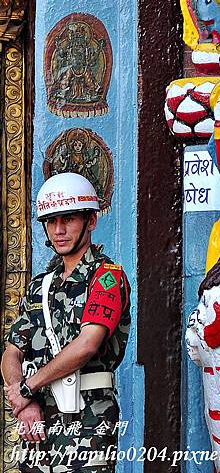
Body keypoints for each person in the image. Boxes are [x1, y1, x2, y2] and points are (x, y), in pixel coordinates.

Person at [1, 172, 131, 472]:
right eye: (51, 221)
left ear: (91, 221)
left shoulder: (106, 278)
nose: (58, 230)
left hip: (88, 420)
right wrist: (26, 400)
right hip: (38, 421)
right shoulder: (39, 286)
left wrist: (27, 388)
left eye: (68, 219)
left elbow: (87, 346)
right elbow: (12, 351)